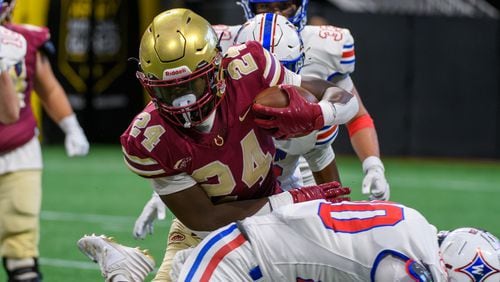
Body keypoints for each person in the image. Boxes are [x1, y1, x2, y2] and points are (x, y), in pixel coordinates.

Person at [122, 7, 357, 281]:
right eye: (168, 90)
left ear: (218, 68)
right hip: (203, 233)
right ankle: (123, 271)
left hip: (270, 214)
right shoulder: (146, 137)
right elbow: (205, 219)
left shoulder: (250, 67)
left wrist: (322, 113)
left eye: (192, 86)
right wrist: (289, 199)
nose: (182, 102)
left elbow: (339, 97)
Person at [215, 0, 390, 201]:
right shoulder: (217, 43)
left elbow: (352, 110)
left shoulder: (312, 100)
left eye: (284, 6)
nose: (276, 15)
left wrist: (373, 165)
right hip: (231, 167)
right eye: (264, 6)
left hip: (296, 168)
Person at [77, 200, 500, 281]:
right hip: (239, 259)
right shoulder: (413, 265)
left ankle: (123, 270)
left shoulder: (417, 226)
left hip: (262, 256)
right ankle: (123, 273)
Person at [0, 0, 90, 280]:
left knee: (20, 242)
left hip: (18, 151)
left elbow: (47, 88)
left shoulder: (23, 41)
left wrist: (71, 127)